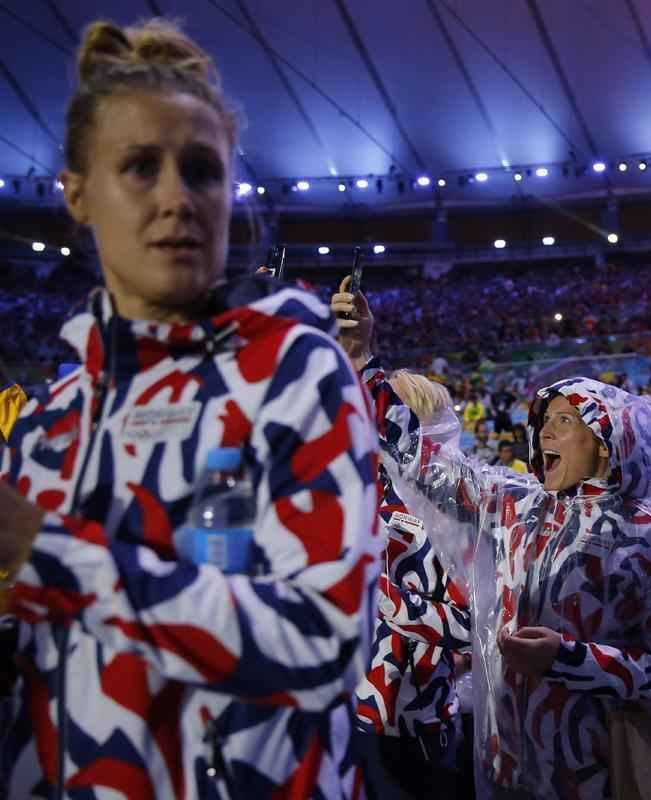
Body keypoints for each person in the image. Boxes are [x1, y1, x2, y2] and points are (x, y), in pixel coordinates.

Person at [0, 19, 378, 796]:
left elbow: (327, 637)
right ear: (76, 192)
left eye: (202, 170)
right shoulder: (44, 428)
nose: (177, 198)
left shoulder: (293, 374)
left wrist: (45, 550)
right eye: (140, 167)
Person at [385, 371, 651, 799]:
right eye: (545, 418)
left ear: (606, 439)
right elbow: (419, 464)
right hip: (504, 765)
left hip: (593, 774)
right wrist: (363, 361)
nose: (544, 430)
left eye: (565, 420)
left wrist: (567, 659)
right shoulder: (516, 504)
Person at [330, 277, 471, 799]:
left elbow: (470, 624)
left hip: (413, 726)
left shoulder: (458, 518)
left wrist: (381, 597)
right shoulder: (356, 502)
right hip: (345, 715)